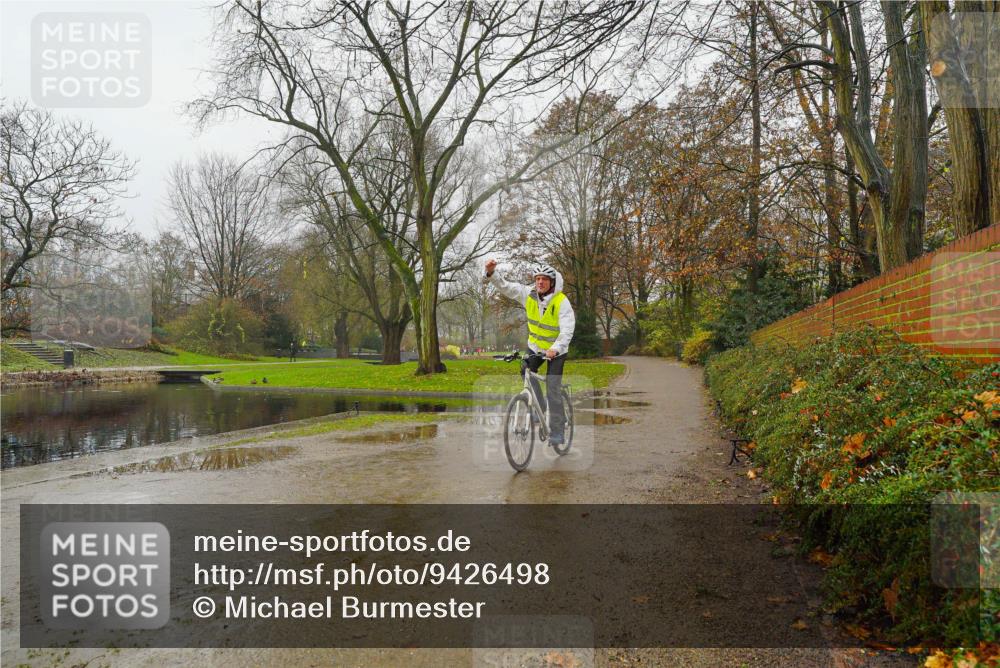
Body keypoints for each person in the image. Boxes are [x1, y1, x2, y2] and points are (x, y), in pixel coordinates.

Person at [484, 259, 576, 447]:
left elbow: (567, 330)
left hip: (556, 351)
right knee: (525, 369)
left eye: (544, 279)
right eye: (537, 278)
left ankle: (558, 431)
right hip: (535, 347)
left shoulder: (561, 302)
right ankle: (540, 406)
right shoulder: (528, 294)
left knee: (552, 387)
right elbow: (507, 287)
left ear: (552, 282)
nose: (540, 282)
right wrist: (492, 273)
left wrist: (556, 348)